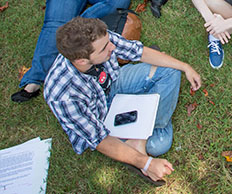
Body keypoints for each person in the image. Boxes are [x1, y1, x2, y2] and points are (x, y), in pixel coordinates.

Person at [44, 17, 201, 186]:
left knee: (170, 69)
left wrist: (185, 66)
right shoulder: (62, 95)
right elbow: (100, 140)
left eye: (109, 42)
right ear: (81, 61)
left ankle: (140, 137)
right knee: (159, 145)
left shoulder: (100, 37)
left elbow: (139, 52)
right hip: (100, 118)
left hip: (115, 84)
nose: (112, 47)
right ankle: (145, 124)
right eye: (105, 49)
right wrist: (146, 163)